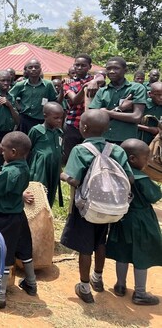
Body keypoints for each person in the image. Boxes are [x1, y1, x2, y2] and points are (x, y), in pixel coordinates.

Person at [60, 109, 134, 304]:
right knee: (101, 241)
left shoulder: (80, 150)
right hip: (110, 208)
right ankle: (98, 278)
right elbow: (131, 178)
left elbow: (75, 180)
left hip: (86, 207)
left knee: (85, 247)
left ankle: (84, 287)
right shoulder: (116, 150)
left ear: (83, 127)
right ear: (107, 129)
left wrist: (64, 176)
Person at [0, 131, 37, 308]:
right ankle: (31, 283)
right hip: (19, 216)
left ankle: (0, 296)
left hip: (5, 219)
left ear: (13, 152)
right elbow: (7, 178)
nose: (1, 153)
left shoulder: (10, 172)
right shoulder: (23, 167)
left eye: (3, 151)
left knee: (2, 254)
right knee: (25, 249)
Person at [106, 139, 162, 305]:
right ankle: (140, 293)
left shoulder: (117, 172)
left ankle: (120, 285)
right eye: (146, 157)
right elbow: (154, 196)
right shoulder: (141, 178)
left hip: (122, 218)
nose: (148, 161)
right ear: (132, 159)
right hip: (141, 221)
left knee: (122, 254)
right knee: (141, 255)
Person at [88, 57, 147, 144]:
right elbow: (94, 117)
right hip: (103, 139)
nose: (111, 71)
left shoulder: (136, 88)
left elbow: (136, 117)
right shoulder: (102, 91)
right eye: (108, 69)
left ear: (125, 70)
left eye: (116, 68)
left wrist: (107, 112)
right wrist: (119, 109)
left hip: (126, 140)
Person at [27, 102, 64, 207]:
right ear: (45, 116)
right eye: (56, 118)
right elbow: (27, 150)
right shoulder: (36, 131)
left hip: (54, 168)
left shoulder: (59, 132)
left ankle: (47, 213)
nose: (59, 120)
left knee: (51, 192)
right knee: (39, 191)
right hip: (40, 168)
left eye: (61, 118)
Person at [62, 54, 96, 162]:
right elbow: (75, 100)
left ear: (89, 67)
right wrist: (85, 87)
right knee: (70, 154)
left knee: (88, 153)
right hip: (73, 122)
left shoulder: (95, 80)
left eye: (83, 65)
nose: (79, 68)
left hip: (91, 123)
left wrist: (95, 81)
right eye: (77, 65)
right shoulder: (68, 83)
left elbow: (101, 76)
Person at [9, 59, 57, 133]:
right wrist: (17, 107)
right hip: (24, 120)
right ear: (26, 70)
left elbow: (54, 101)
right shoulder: (20, 85)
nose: (33, 69)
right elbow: (10, 96)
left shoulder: (48, 85)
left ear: (40, 69)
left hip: (42, 121)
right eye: (30, 67)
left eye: (36, 67)